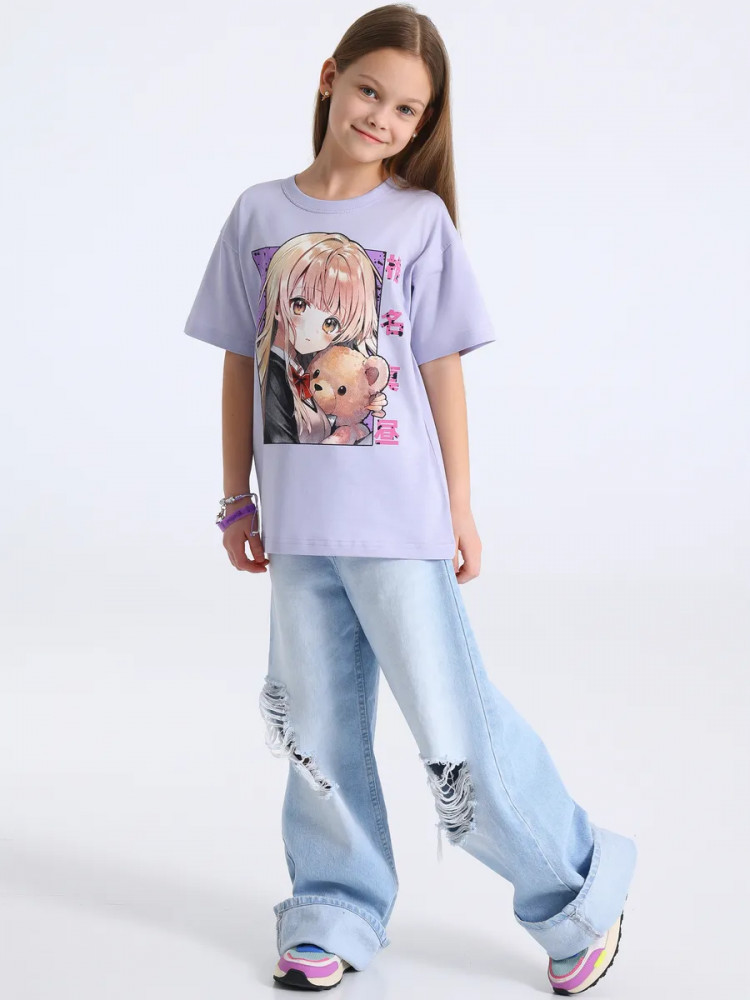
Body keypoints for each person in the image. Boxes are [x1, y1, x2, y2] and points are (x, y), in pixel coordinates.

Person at [183, 4, 637, 994]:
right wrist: (234, 499)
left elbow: (440, 368)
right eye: (369, 92)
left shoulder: (419, 220)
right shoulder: (258, 213)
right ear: (329, 78)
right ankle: (333, 907)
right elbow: (239, 364)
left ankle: (577, 894)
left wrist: (460, 505)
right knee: (315, 730)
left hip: (399, 526)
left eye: (406, 110)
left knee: (453, 733)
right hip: (297, 530)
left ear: (424, 124)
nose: (381, 118)